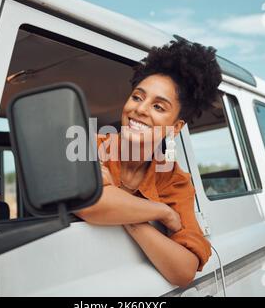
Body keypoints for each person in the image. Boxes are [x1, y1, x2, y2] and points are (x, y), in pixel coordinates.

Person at [75, 39, 222, 287]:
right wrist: (163, 212)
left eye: (158, 106)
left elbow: (184, 271)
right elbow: (89, 202)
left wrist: (129, 216)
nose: (140, 109)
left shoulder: (174, 181)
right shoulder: (87, 145)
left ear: (175, 127)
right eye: (137, 97)